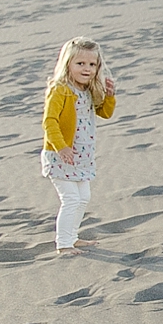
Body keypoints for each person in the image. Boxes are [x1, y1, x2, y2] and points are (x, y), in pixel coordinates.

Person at [42, 36, 115, 255]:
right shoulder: (60, 90)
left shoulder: (89, 90)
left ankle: (73, 237)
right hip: (61, 155)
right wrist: (61, 147)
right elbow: (50, 121)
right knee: (71, 199)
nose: (87, 69)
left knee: (83, 198)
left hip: (82, 156)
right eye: (80, 64)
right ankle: (63, 243)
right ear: (68, 64)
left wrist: (109, 95)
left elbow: (105, 113)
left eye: (92, 64)